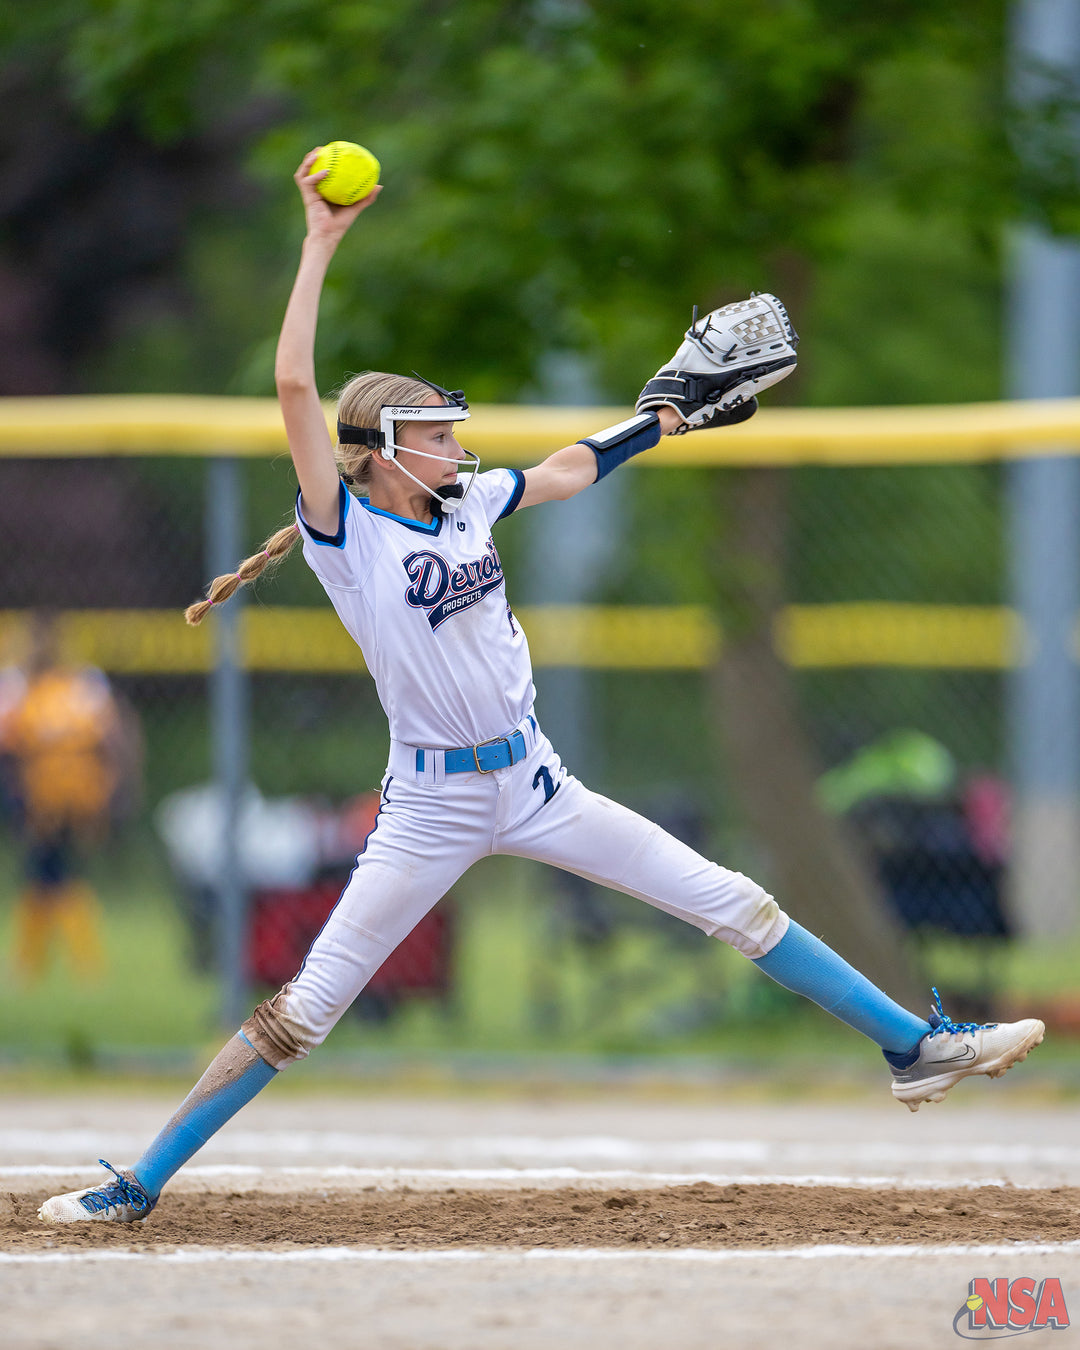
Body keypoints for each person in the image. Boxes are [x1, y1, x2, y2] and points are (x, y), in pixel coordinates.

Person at [39, 150, 1044, 1224]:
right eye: (435, 432)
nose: (457, 441)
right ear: (378, 452)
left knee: (733, 902)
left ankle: (914, 1049)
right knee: (305, 1011)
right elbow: (294, 387)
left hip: (535, 781)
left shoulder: (466, 500)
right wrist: (320, 242)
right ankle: (138, 1184)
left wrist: (663, 415)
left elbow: (566, 467)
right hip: (426, 804)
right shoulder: (349, 531)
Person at [0, 612, 134, 983]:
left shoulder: (78, 684)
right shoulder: (20, 684)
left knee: (52, 871)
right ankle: (49, 962)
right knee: (48, 873)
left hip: (71, 793)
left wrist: (114, 787)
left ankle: (53, 963)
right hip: (34, 793)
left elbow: (111, 737)